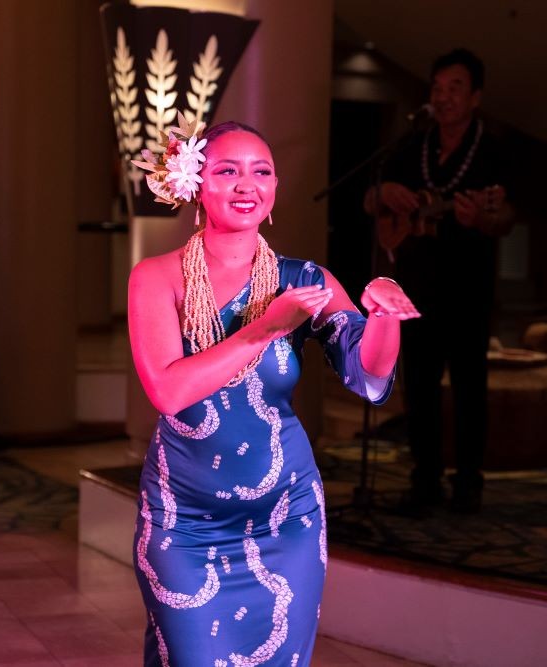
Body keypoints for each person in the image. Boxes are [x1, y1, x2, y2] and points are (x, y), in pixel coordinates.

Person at [127, 118, 419, 665]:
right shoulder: (156, 277)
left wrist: (383, 316)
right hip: (184, 519)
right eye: (227, 170)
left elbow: (368, 377)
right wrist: (265, 328)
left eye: (261, 171)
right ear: (195, 183)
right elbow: (168, 391)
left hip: (287, 518)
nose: (247, 184)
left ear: (275, 189)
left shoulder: (305, 279)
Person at [365, 48, 514, 514]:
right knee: (421, 387)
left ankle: (469, 482)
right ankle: (424, 479)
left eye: (455, 88)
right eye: (437, 88)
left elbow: (507, 217)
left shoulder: (493, 149)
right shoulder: (415, 146)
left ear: (475, 98)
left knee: (470, 386)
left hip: (468, 287)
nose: (444, 97)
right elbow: (371, 201)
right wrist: (384, 192)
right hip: (415, 285)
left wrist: (482, 218)